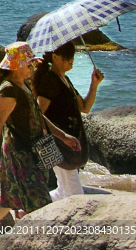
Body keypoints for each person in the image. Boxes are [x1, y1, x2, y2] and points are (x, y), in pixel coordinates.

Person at [0, 42, 81, 242]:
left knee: (6, 199)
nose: (32, 67)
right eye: (29, 64)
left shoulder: (23, 85)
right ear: (17, 65)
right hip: (20, 151)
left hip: (34, 148)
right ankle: (43, 240)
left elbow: (38, 115)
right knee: (40, 199)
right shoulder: (8, 90)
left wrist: (63, 136)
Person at [35, 41, 104, 200]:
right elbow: (37, 114)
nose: (71, 59)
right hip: (57, 142)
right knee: (75, 193)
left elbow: (84, 107)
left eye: (72, 55)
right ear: (55, 57)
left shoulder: (65, 80)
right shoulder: (50, 80)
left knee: (63, 190)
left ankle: (37, 207)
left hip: (68, 143)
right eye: (67, 56)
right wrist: (60, 137)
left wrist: (94, 84)